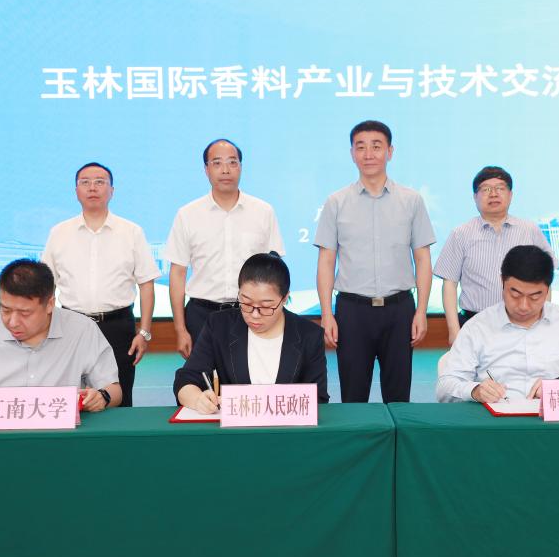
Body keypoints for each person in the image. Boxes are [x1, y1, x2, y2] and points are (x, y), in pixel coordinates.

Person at [314, 120, 435, 403]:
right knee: (353, 397)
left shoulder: (412, 200)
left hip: (399, 310)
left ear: (390, 151)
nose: (368, 154)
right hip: (352, 311)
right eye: (361, 147)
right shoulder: (336, 202)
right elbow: (326, 261)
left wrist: (421, 311)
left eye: (376, 146)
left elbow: (422, 258)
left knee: (399, 397)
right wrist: (327, 313)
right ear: (352, 153)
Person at [0, 259, 121, 413]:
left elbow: (114, 390)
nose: (12, 322)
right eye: (5, 310)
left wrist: (102, 397)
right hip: (0, 437)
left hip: (61, 435)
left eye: (25, 313)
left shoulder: (82, 329)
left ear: (50, 304)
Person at [41, 162, 159, 407]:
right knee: (70, 396)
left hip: (118, 326)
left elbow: (146, 284)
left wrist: (144, 332)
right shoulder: (59, 233)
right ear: (76, 191)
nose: (92, 188)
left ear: (111, 190)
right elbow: (46, 285)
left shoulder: (131, 232)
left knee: (120, 395)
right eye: (85, 182)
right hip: (71, 325)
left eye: (99, 182)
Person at [165, 139, 285, 359]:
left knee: (252, 377)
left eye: (232, 162)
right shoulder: (187, 214)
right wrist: (180, 329)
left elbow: (274, 268)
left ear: (240, 167)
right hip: (202, 315)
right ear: (206, 169)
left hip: (252, 314)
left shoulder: (263, 211)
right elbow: (178, 273)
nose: (225, 170)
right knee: (205, 378)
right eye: (217, 163)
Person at [437, 245, 559, 403]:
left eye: (534, 297)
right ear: (502, 281)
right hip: (495, 417)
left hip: (551, 418)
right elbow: (444, 388)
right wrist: (475, 391)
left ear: (548, 289)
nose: (523, 306)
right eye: (515, 294)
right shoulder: (478, 327)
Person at [174, 253, 329, 413]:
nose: (254, 314)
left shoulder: (309, 335)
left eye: (266, 306)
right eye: (246, 303)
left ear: (284, 298)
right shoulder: (219, 326)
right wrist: (198, 399)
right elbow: (186, 379)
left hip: (289, 427)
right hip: (236, 428)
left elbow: (318, 398)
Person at [434, 165, 557, 345]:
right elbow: (449, 284)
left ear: (510, 195)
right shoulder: (460, 234)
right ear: (475, 197)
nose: (493, 194)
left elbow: (546, 278)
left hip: (523, 323)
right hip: (475, 323)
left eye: (500, 188)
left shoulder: (529, 230)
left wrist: (541, 321)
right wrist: (454, 330)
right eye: (485, 189)